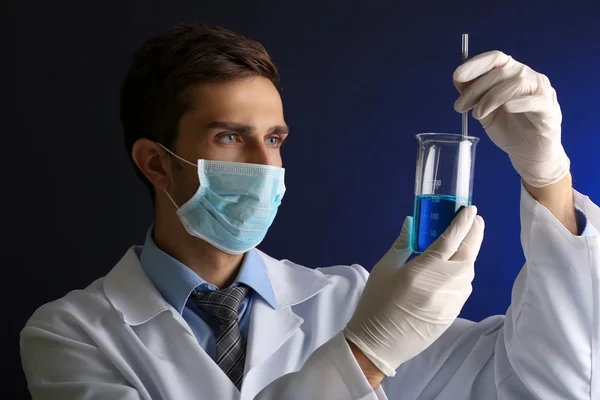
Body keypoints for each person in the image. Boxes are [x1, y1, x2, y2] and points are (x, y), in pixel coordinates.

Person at [20, 23, 599, 400]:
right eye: (228, 137)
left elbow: (546, 385)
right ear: (156, 163)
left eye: (274, 139)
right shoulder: (71, 334)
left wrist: (548, 176)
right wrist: (365, 354)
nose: (264, 163)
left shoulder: (348, 298)